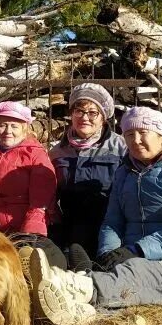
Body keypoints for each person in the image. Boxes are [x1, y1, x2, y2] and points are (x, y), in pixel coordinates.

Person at [30, 106, 162, 325]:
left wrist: (137, 250)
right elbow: (113, 221)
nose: (135, 140)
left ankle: (68, 284)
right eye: (129, 134)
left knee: (133, 273)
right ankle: (78, 311)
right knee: (124, 275)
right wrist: (109, 253)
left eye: (143, 132)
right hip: (133, 260)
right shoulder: (125, 172)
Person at [0, 101, 64, 268]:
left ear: (25, 129)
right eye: (2, 125)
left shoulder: (35, 155)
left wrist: (28, 236)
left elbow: (40, 203)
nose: (8, 131)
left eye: (14, 126)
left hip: (25, 229)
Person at [49, 83, 126, 260]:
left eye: (92, 113)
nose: (85, 117)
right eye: (79, 111)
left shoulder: (120, 147)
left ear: (103, 118)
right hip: (72, 226)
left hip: (110, 224)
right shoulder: (57, 152)